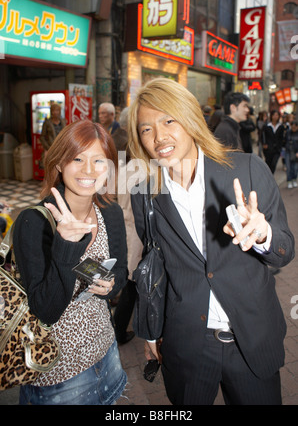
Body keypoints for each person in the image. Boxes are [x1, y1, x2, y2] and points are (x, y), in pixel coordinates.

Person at [127, 78, 295, 405]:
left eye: (168, 121)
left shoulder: (246, 170)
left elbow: (284, 250)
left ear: (190, 118)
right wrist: (150, 327)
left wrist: (262, 235)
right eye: (146, 129)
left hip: (251, 340)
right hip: (188, 343)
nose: (159, 137)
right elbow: (154, 261)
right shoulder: (144, 191)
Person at [13, 120, 127, 405]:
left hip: (107, 354)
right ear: (60, 164)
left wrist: (110, 287)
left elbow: (122, 271)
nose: (89, 170)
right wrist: (66, 246)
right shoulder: (34, 222)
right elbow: (46, 311)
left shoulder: (109, 212)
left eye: (99, 160)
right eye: (77, 158)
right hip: (58, 376)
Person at [113, 107, 143, 344]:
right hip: (138, 235)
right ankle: (120, 330)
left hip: (123, 231)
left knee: (127, 283)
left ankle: (118, 328)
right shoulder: (149, 172)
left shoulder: (125, 170)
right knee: (132, 287)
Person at [284, 120, 298, 188]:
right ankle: (289, 181)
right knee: (288, 167)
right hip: (288, 152)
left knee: (295, 168)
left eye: (295, 127)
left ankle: (294, 179)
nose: (293, 128)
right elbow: (284, 141)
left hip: (296, 153)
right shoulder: (288, 133)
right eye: (292, 126)